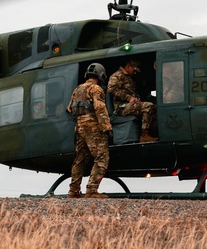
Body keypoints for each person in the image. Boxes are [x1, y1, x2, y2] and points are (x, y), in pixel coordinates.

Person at [66, 63, 113, 198]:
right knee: (102, 156)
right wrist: (106, 127)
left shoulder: (78, 89)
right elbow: (100, 109)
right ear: (101, 75)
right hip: (93, 129)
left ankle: (73, 191)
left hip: (80, 128)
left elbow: (70, 109)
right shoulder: (96, 89)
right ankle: (92, 190)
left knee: (80, 159)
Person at [108, 59, 158, 143]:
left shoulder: (129, 78)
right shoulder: (117, 75)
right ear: (128, 66)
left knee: (155, 107)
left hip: (130, 105)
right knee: (147, 106)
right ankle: (144, 135)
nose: (135, 73)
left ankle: (152, 133)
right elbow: (112, 89)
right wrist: (128, 98)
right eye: (134, 70)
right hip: (121, 108)